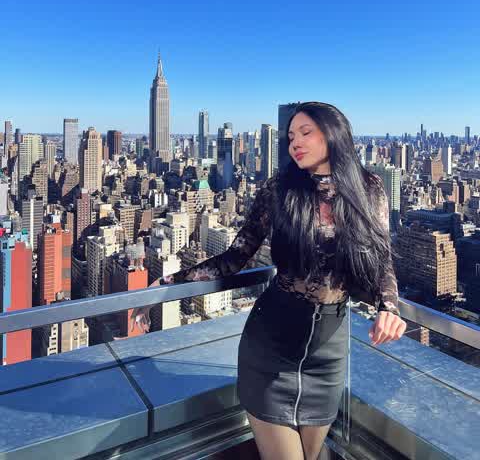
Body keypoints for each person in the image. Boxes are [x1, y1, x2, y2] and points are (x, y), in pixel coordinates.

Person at [131, 101, 407, 460]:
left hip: (329, 354)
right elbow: (236, 257)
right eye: (290, 137)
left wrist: (389, 308)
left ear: (333, 134)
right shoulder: (279, 189)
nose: (295, 143)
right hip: (270, 346)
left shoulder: (370, 188)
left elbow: (381, 258)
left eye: (305, 133)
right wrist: (170, 282)